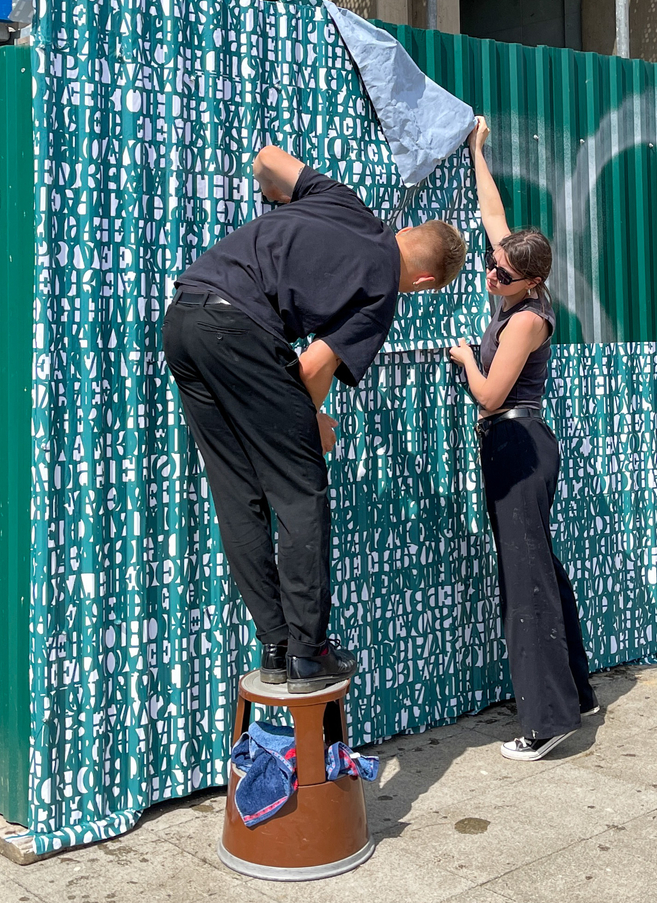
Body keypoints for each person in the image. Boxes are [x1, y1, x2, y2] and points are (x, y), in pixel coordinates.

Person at [164, 145, 466, 694]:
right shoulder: (380, 298)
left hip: (184, 317)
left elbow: (268, 159)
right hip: (243, 331)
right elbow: (311, 363)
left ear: (408, 232)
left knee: (237, 491)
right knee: (300, 495)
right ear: (423, 281)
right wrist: (312, 424)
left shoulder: (343, 201)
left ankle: (276, 642)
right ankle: (307, 652)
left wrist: (270, 192)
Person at [449, 118, 597, 761]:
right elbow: (494, 217)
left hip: (515, 445)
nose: (490, 276)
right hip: (517, 447)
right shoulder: (516, 287)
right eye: (491, 266)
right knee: (540, 567)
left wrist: (462, 357)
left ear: (531, 282)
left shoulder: (527, 322)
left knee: (525, 576)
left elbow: (490, 393)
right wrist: (478, 153)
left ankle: (547, 720)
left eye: (503, 274)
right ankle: (577, 694)